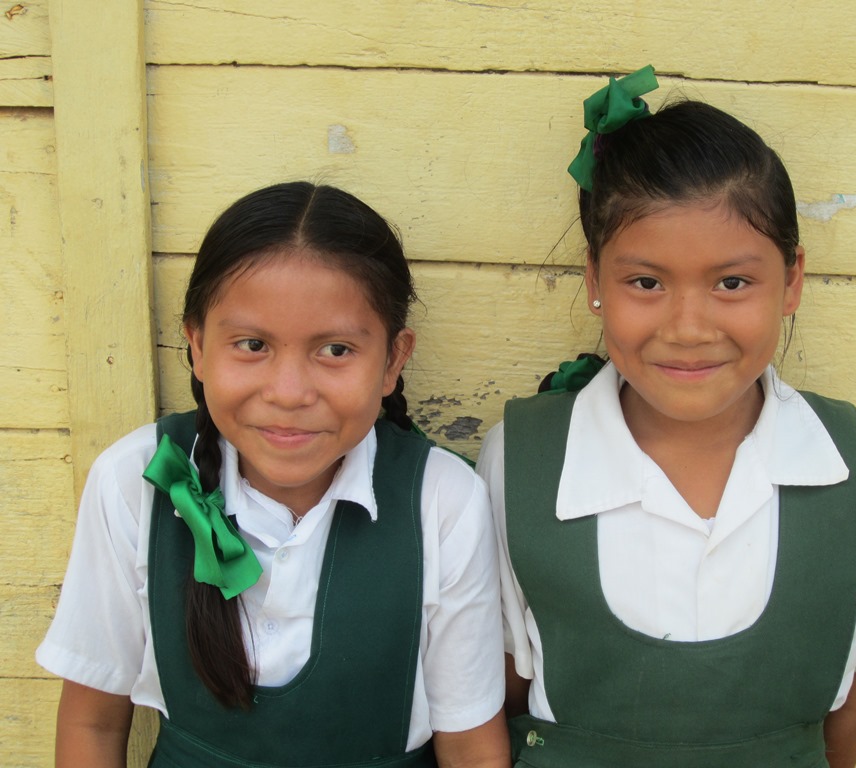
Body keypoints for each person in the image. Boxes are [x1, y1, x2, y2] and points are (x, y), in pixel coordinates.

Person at [476, 67, 856, 768]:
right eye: (646, 282)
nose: (689, 327)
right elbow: (507, 689)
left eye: (732, 282)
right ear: (594, 281)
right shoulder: (523, 461)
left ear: (791, 282)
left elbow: (852, 702)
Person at [37, 181, 510, 768]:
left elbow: (470, 748)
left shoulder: (442, 500)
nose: (289, 393)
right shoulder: (137, 481)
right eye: (253, 344)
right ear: (197, 346)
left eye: (335, 350)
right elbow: (92, 724)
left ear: (392, 359)